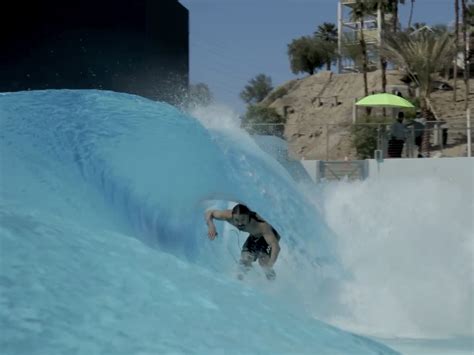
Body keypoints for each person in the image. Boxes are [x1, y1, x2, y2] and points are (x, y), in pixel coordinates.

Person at [205, 203, 281, 281]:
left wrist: (270, 264)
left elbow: (276, 246)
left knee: (264, 263)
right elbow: (209, 212)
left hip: (270, 235)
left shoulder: (260, 225)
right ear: (232, 216)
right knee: (244, 261)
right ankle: (238, 284)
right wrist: (211, 226)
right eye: (237, 220)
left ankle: (273, 282)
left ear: (249, 217)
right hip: (255, 236)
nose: (240, 223)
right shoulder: (228, 215)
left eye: (243, 220)